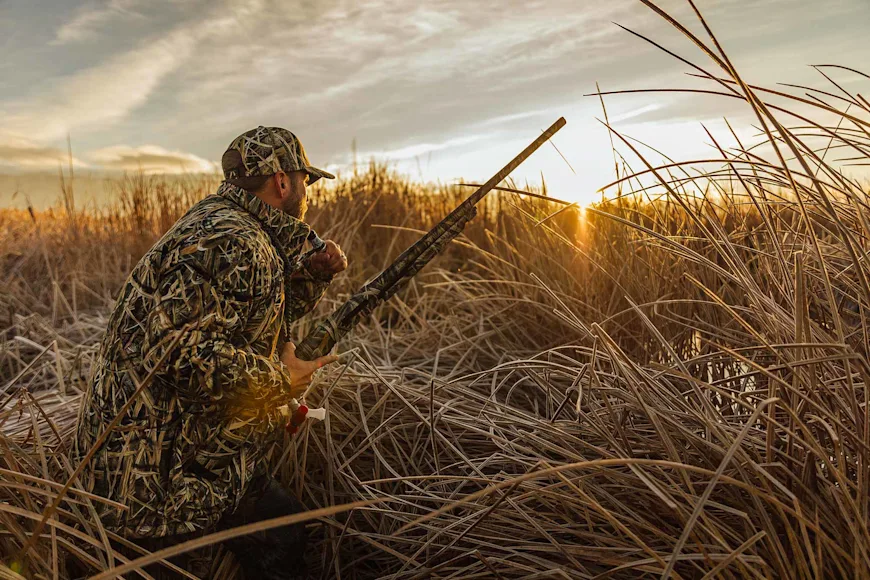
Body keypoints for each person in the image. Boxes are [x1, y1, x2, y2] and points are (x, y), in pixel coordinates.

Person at [72, 126, 347, 579]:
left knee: (284, 533)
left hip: (190, 451)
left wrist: (311, 275)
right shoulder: (234, 239)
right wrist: (279, 381)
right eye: (305, 180)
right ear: (282, 181)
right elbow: (177, 351)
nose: (306, 193)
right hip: (151, 477)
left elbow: (244, 318)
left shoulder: (225, 225)